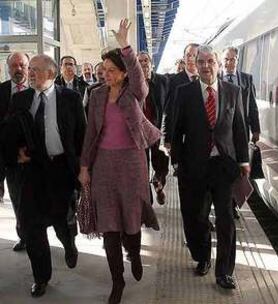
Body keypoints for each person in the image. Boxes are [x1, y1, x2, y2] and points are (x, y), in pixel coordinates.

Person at [78, 19, 160, 304]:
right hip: (103, 167)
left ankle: (135, 254)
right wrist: (84, 167)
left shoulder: (134, 91)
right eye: (104, 71)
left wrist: (126, 46)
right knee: (110, 226)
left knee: (132, 221)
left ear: (123, 73)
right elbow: (90, 134)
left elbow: (139, 77)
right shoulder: (96, 94)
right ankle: (117, 281)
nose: (106, 75)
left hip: (133, 163)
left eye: (111, 71)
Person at [4, 53, 86, 297]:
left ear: (50, 74)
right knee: (31, 226)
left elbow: (82, 136)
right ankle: (41, 277)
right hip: (31, 172)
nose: (30, 73)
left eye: (36, 69)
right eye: (31, 69)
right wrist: (15, 153)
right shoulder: (20, 99)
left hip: (61, 170)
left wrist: (83, 169)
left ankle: (69, 243)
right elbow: (7, 132)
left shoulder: (70, 98)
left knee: (62, 220)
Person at [171, 45, 250, 289]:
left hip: (224, 166)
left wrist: (244, 160)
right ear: (195, 63)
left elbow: (239, 127)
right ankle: (203, 257)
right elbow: (176, 130)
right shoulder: (184, 92)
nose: (206, 66)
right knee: (198, 218)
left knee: (226, 219)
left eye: (210, 61)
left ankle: (224, 271)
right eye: (201, 61)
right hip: (195, 167)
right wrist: (177, 162)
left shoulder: (233, 91)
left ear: (217, 63)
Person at [220, 46, 261, 219]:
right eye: (226, 60)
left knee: (239, 170)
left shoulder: (246, 79)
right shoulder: (216, 78)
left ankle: (234, 204)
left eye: (232, 59)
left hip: (241, 132)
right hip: (222, 135)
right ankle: (226, 204)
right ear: (222, 62)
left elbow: (252, 105)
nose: (229, 63)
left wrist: (256, 129)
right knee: (224, 170)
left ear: (237, 60)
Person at [0, 52, 30, 250]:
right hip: (11, 159)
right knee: (18, 199)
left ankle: (38, 234)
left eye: (22, 65)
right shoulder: (1, 91)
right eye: (14, 66)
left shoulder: (38, 90)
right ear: (8, 68)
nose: (18, 69)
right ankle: (24, 237)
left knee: (37, 200)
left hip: (35, 158)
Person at [138, 51, 169, 205]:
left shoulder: (163, 81)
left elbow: (168, 107)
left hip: (157, 132)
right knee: (142, 168)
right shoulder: (132, 83)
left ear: (151, 64)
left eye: (146, 60)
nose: (143, 63)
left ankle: (159, 183)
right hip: (140, 134)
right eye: (140, 61)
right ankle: (147, 202)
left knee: (161, 165)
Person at [163, 43, 199, 150]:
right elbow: (169, 111)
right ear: (184, 58)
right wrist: (167, 138)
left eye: (195, 55)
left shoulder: (206, 79)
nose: (191, 58)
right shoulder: (174, 81)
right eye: (188, 55)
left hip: (201, 137)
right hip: (180, 137)